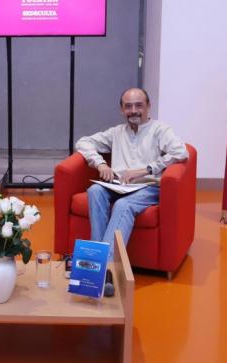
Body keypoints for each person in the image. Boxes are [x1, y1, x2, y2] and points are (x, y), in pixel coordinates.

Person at [75, 87, 188, 261]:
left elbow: (181, 152)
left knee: (123, 205)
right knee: (95, 191)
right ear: (122, 109)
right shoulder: (116, 132)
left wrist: (147, 169)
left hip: (148, 187)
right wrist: (100, 163)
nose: (133, 110)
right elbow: (83, 142)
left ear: (148, 106)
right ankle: (97, 257)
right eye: (128, 106)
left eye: (139, 105)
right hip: (119, 185)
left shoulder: (160, 129)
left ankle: (105, 265)